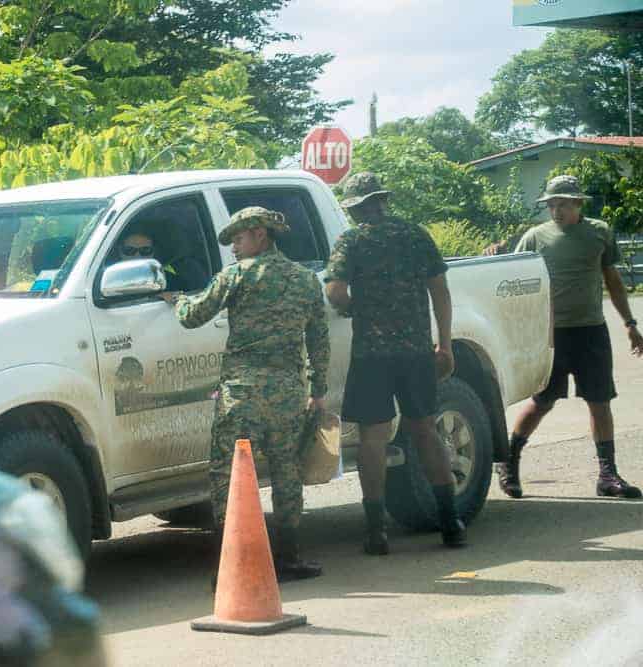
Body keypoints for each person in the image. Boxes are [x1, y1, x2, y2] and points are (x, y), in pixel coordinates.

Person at [159, 206, 330, 584]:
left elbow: (193, 316)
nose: (233, 248)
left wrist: (177, 301)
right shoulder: (305, 280)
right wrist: (318, 391)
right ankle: (288, 558)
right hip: (288, 391)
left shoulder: (237, 276)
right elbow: (318, 339)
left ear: (259, 234)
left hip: (242, 394)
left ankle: (234, 562)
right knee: (287, 473)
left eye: (238, 239)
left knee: (230, 475)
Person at [324, 172, 466, 555]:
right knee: (425, 431)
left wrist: (356, 308)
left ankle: (375, 532)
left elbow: (335, 292)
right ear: (383, 200)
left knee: (374, 436)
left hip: (372, 355)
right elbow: (441, 291)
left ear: (355, 207)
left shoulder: (351, 240)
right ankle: (451, 523)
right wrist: (445, 344)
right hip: (416, 351)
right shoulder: (416, 234)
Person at [497, 175, 643, 500]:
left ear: (578, 203)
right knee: (542, 402)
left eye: (562, 203)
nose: (556, 210)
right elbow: (512, 275)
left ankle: (608, 474)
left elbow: (613, 280)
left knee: (600, 402)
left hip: (591, 330)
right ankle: (508, 460)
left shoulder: (599, 233)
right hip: (551, 334)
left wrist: (630, 323)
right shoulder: (535, 237)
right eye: (551, 204)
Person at [111, 229, 207, 292]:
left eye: (145, 250)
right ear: (120, 251)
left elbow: (182, 295)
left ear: (153, 253)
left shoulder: (167, 278)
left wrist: (160, 297)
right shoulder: (109, 277)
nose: (137, 255)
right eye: (129, 250)